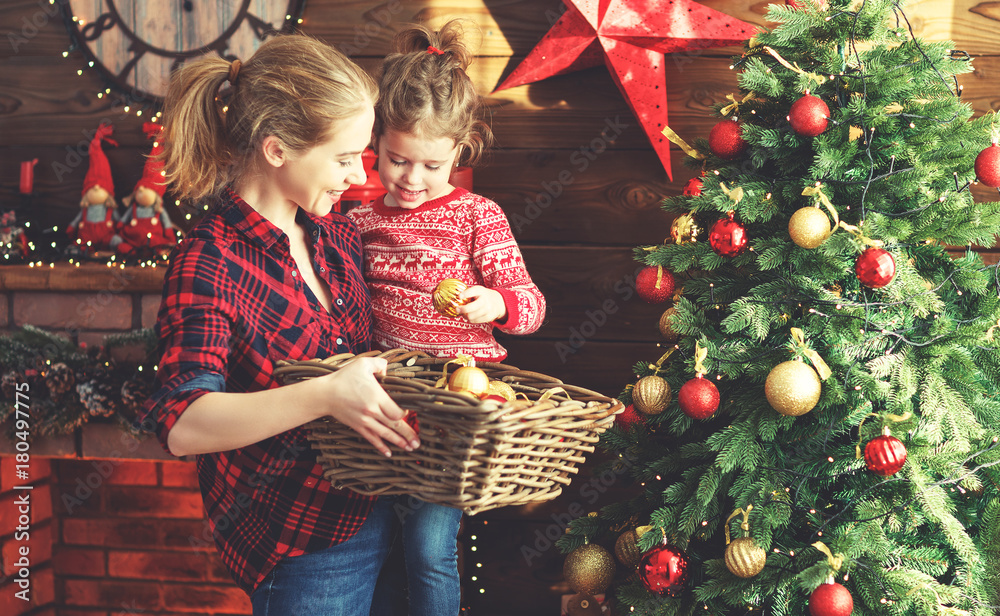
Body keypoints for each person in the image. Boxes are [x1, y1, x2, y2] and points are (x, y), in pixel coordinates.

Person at [139, 35, 419, 614]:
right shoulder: (209, 259)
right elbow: (184, 424)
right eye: (344, 157)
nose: (360, 175)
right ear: (276, 149)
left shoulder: (338, 233)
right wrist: (324, 396)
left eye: (364, 155)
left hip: (395, 514)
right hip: (305, 545)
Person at [346, 20, 547, 616]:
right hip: (383, 399)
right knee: (373, 542)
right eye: (396, 160)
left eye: (432, 166)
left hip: (457, 406)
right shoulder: (356, 223)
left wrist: (497, 303)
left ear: (460, 152)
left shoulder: (477, 215)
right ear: (376, 142)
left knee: (430, 546)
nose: (411, 180)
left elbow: (531, 306)